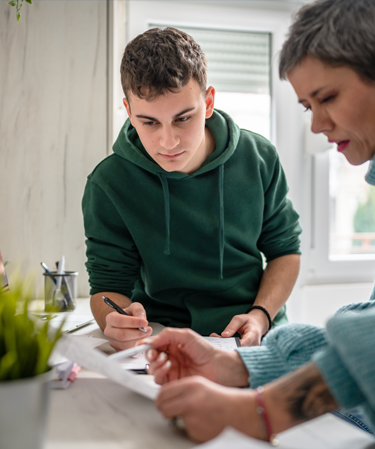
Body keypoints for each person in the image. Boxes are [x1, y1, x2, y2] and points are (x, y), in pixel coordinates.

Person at [143, 1, 375, 447]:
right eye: (308, 106)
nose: (317, 126)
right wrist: (239, 366)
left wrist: (258, 413)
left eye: (327, 97)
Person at [82, 27, 302, 351]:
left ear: (208, 101)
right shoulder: (108, 183)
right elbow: (107, 288)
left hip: (253, 336)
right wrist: (113, 320)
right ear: (128, 112)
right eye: (149, 122)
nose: (167, 142)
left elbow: (285, 251)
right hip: (161, 341)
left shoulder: (259, 158)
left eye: (183, 118)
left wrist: (260, 315)